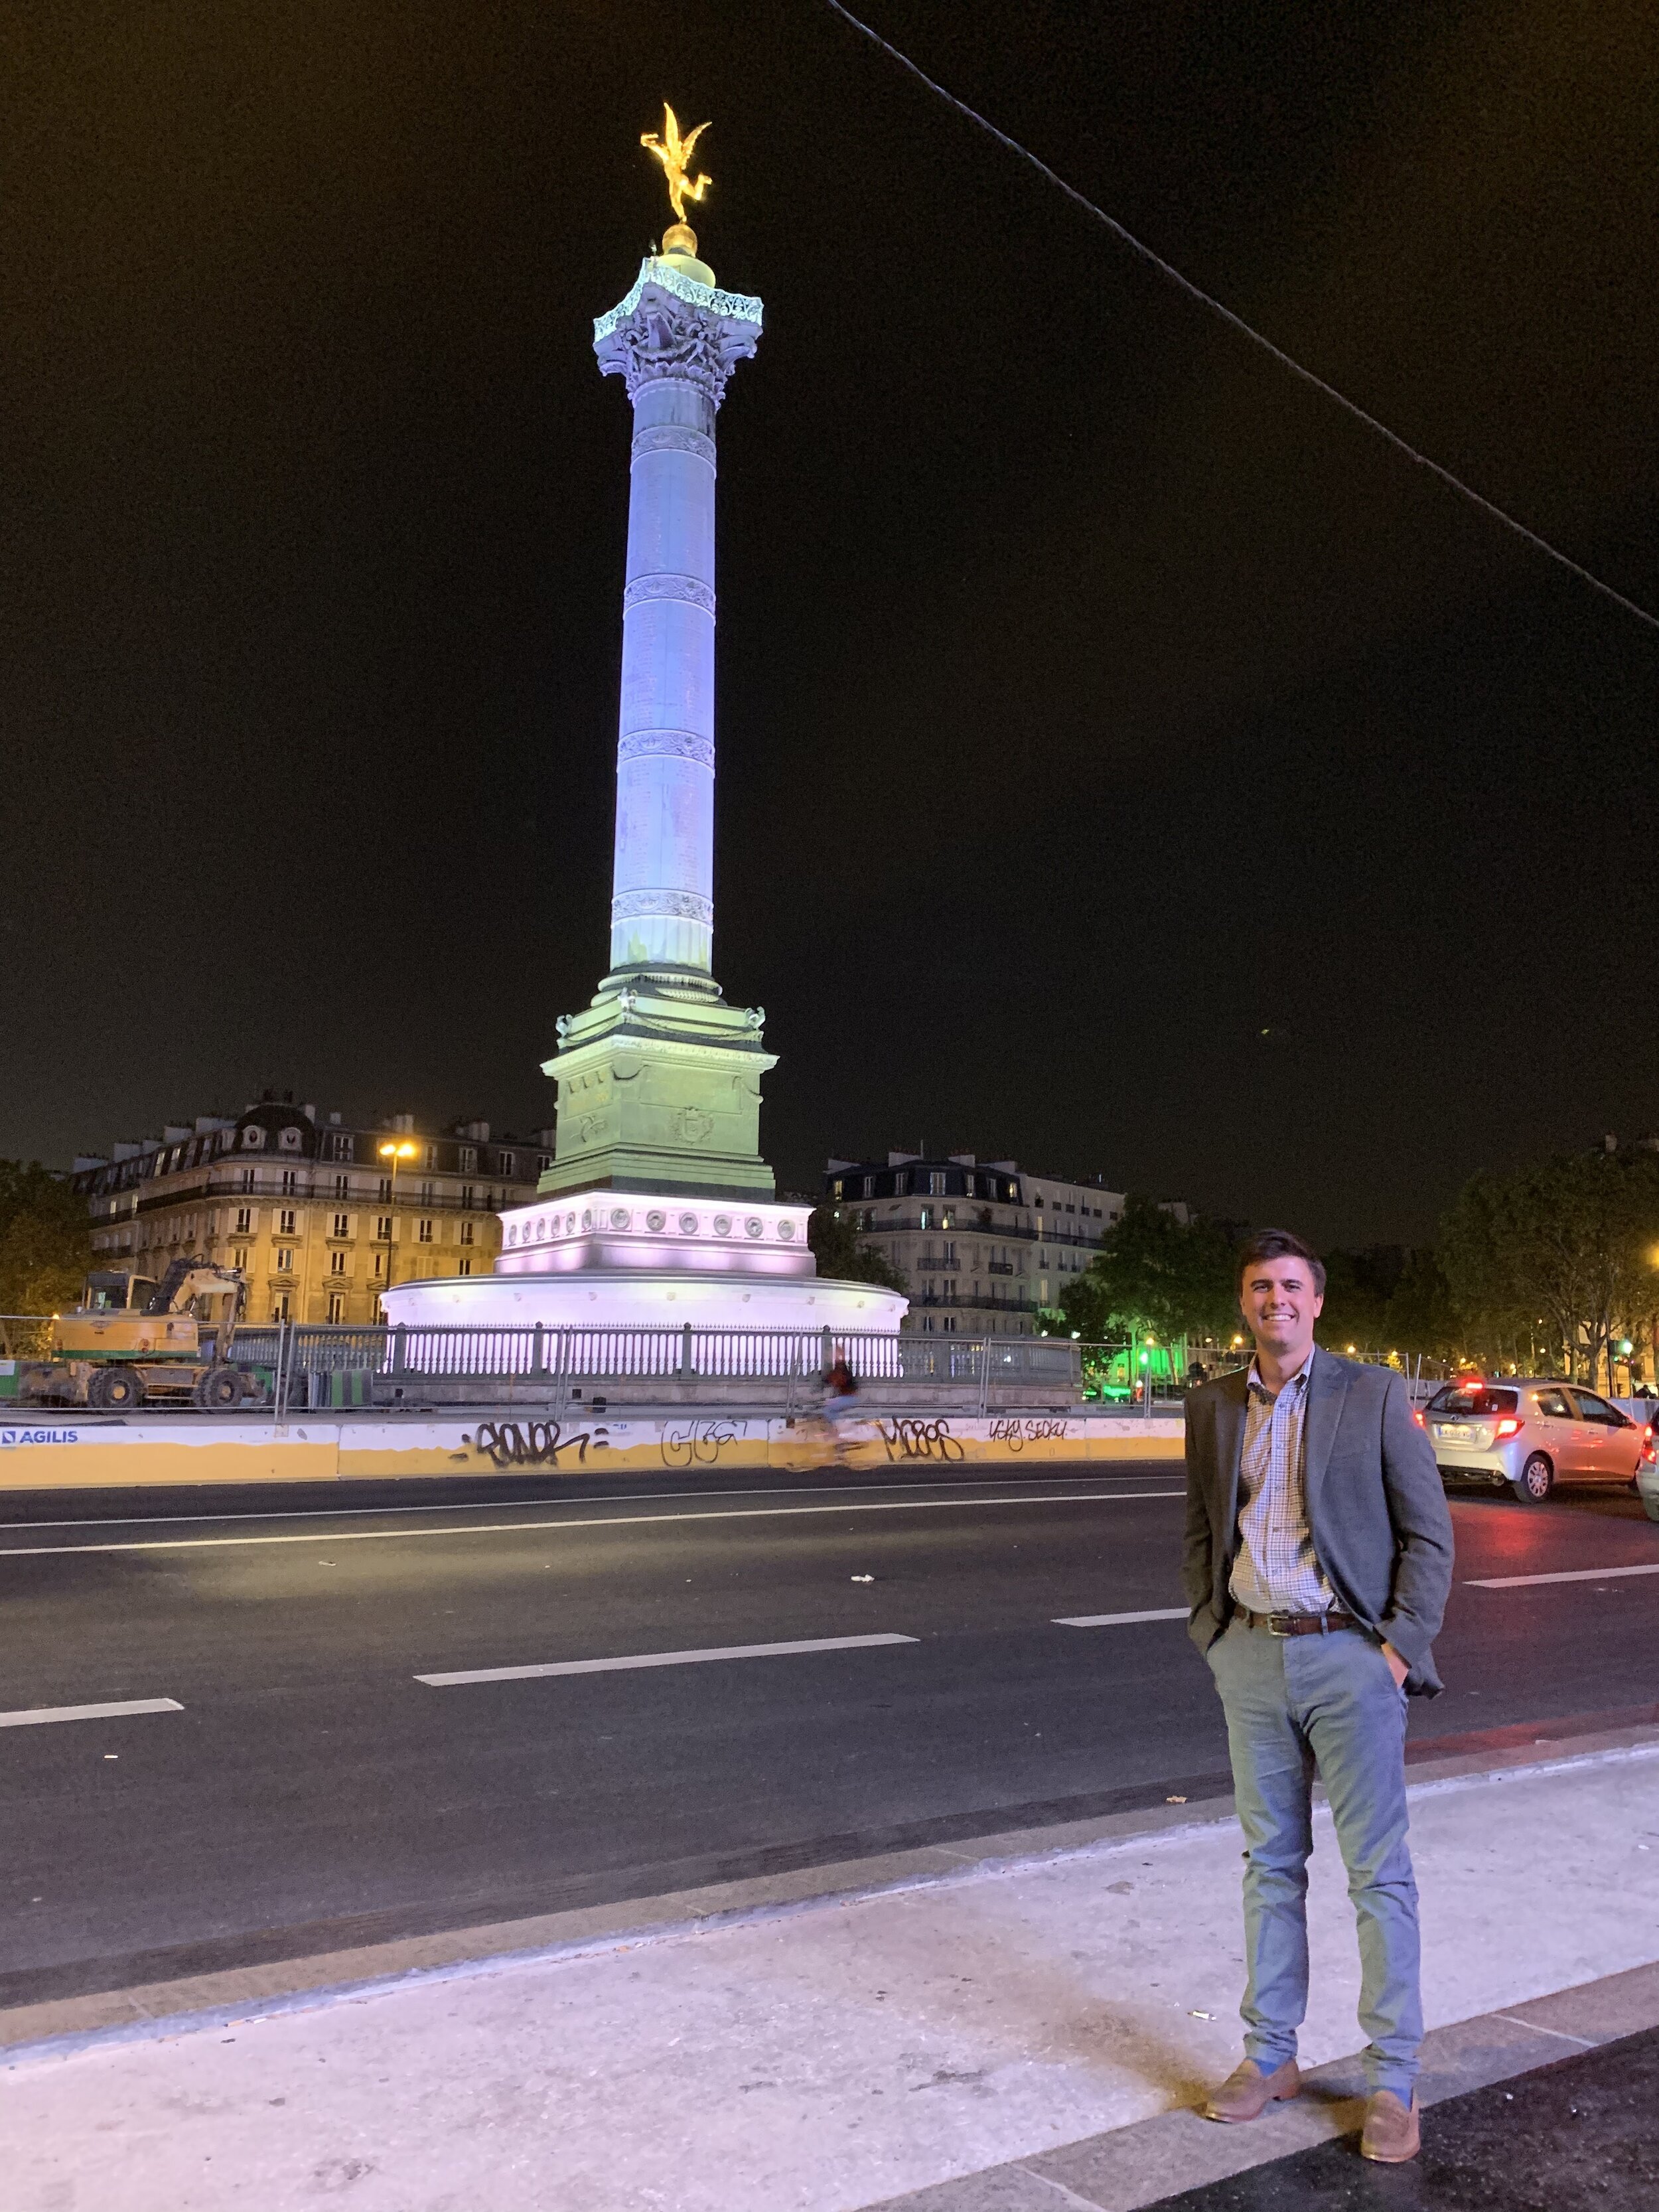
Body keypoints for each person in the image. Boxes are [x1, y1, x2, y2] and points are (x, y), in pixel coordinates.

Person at [1183, 1228, 1454, 2166]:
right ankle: (1271, 2054)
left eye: (1292, 1286)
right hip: (1252, 1655)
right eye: (1262, 1286)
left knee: (1378, 1872)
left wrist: (1395, 1649)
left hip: (1349, 1657)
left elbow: (1429, 1533)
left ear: (1318, 1301)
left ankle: (1393, 2077)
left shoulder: (1370, 1393)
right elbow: (1201, 1527)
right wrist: (1212, 1634)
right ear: (1244, 1302)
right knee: (1270, 1864)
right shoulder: (1213, 1405)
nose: (1277, 1300)